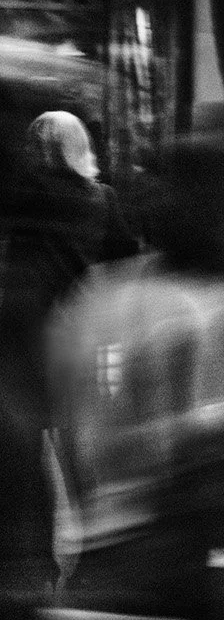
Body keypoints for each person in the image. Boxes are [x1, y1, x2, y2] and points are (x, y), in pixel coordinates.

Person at [45, 135, 224, 620]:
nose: (148, 193)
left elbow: (76, 420)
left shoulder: (105, 292)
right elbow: (220, 444)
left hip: (129, 558)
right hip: (166, 561)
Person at [0, 111, 135, 584]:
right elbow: (125, 259)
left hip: (26, 335)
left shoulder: (23, 196)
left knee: (27, 445)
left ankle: (36, 559)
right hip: (86, 336)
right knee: (81, 444)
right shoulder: (102, 199)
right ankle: (98, 552)